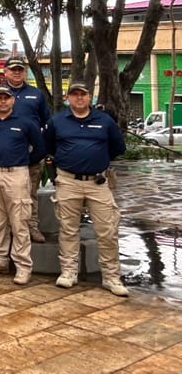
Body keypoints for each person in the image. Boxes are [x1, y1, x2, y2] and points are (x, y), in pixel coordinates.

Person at [45, 82, 129, 296]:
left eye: (83, 94)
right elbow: (49, 147)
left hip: (98, 183)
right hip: (68, 181)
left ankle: (111, 277)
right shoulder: (57, 121)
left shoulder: (104, 121)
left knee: (107, 231)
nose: (79, 98)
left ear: (90, 96)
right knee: (68, 229)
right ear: (67, 97)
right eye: (74, 94)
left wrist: (96, 159)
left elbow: (118, 147)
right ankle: (69, 272)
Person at [0, 84, 45, 284]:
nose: (2, 101)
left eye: (6, 98)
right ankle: (0, 259)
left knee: (19, 221)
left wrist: (23, 160)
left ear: (13, 100)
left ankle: (23, 265)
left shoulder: (25, 122)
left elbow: (40, 148)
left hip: (17, 174)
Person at [0, 55, 51, 243]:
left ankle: (32, 227)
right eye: (13, 69)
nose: (16, 72)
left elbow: (46, 121)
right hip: (4, 152)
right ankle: (5, 233)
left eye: (20, 69)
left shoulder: (36, 94)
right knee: (1, 200)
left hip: (30, 149)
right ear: (5, 72)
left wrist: (37, 152)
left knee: (30, 194)